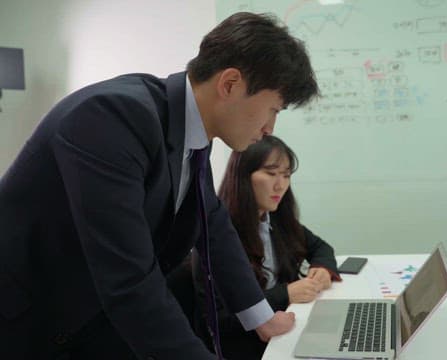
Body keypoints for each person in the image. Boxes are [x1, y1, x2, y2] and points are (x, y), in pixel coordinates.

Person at [0, 12, 318, 360]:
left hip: (92, 314)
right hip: (28, 321)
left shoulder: (191, 130)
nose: (270, 127)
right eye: (272, 109)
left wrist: (261, 318)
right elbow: (129, 276)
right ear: (229, 84)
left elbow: (211, 222)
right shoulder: (113, 116)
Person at [211, 135, 341, 359]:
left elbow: (321, 247)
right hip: (248, 348)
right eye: (271, 174)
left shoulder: (276, 219)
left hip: (283, 333)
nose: (280, 185)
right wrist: (286, 293)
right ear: (242, 177)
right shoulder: (220, 235)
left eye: (286, 175)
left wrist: (322, 268)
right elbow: (220, 320)